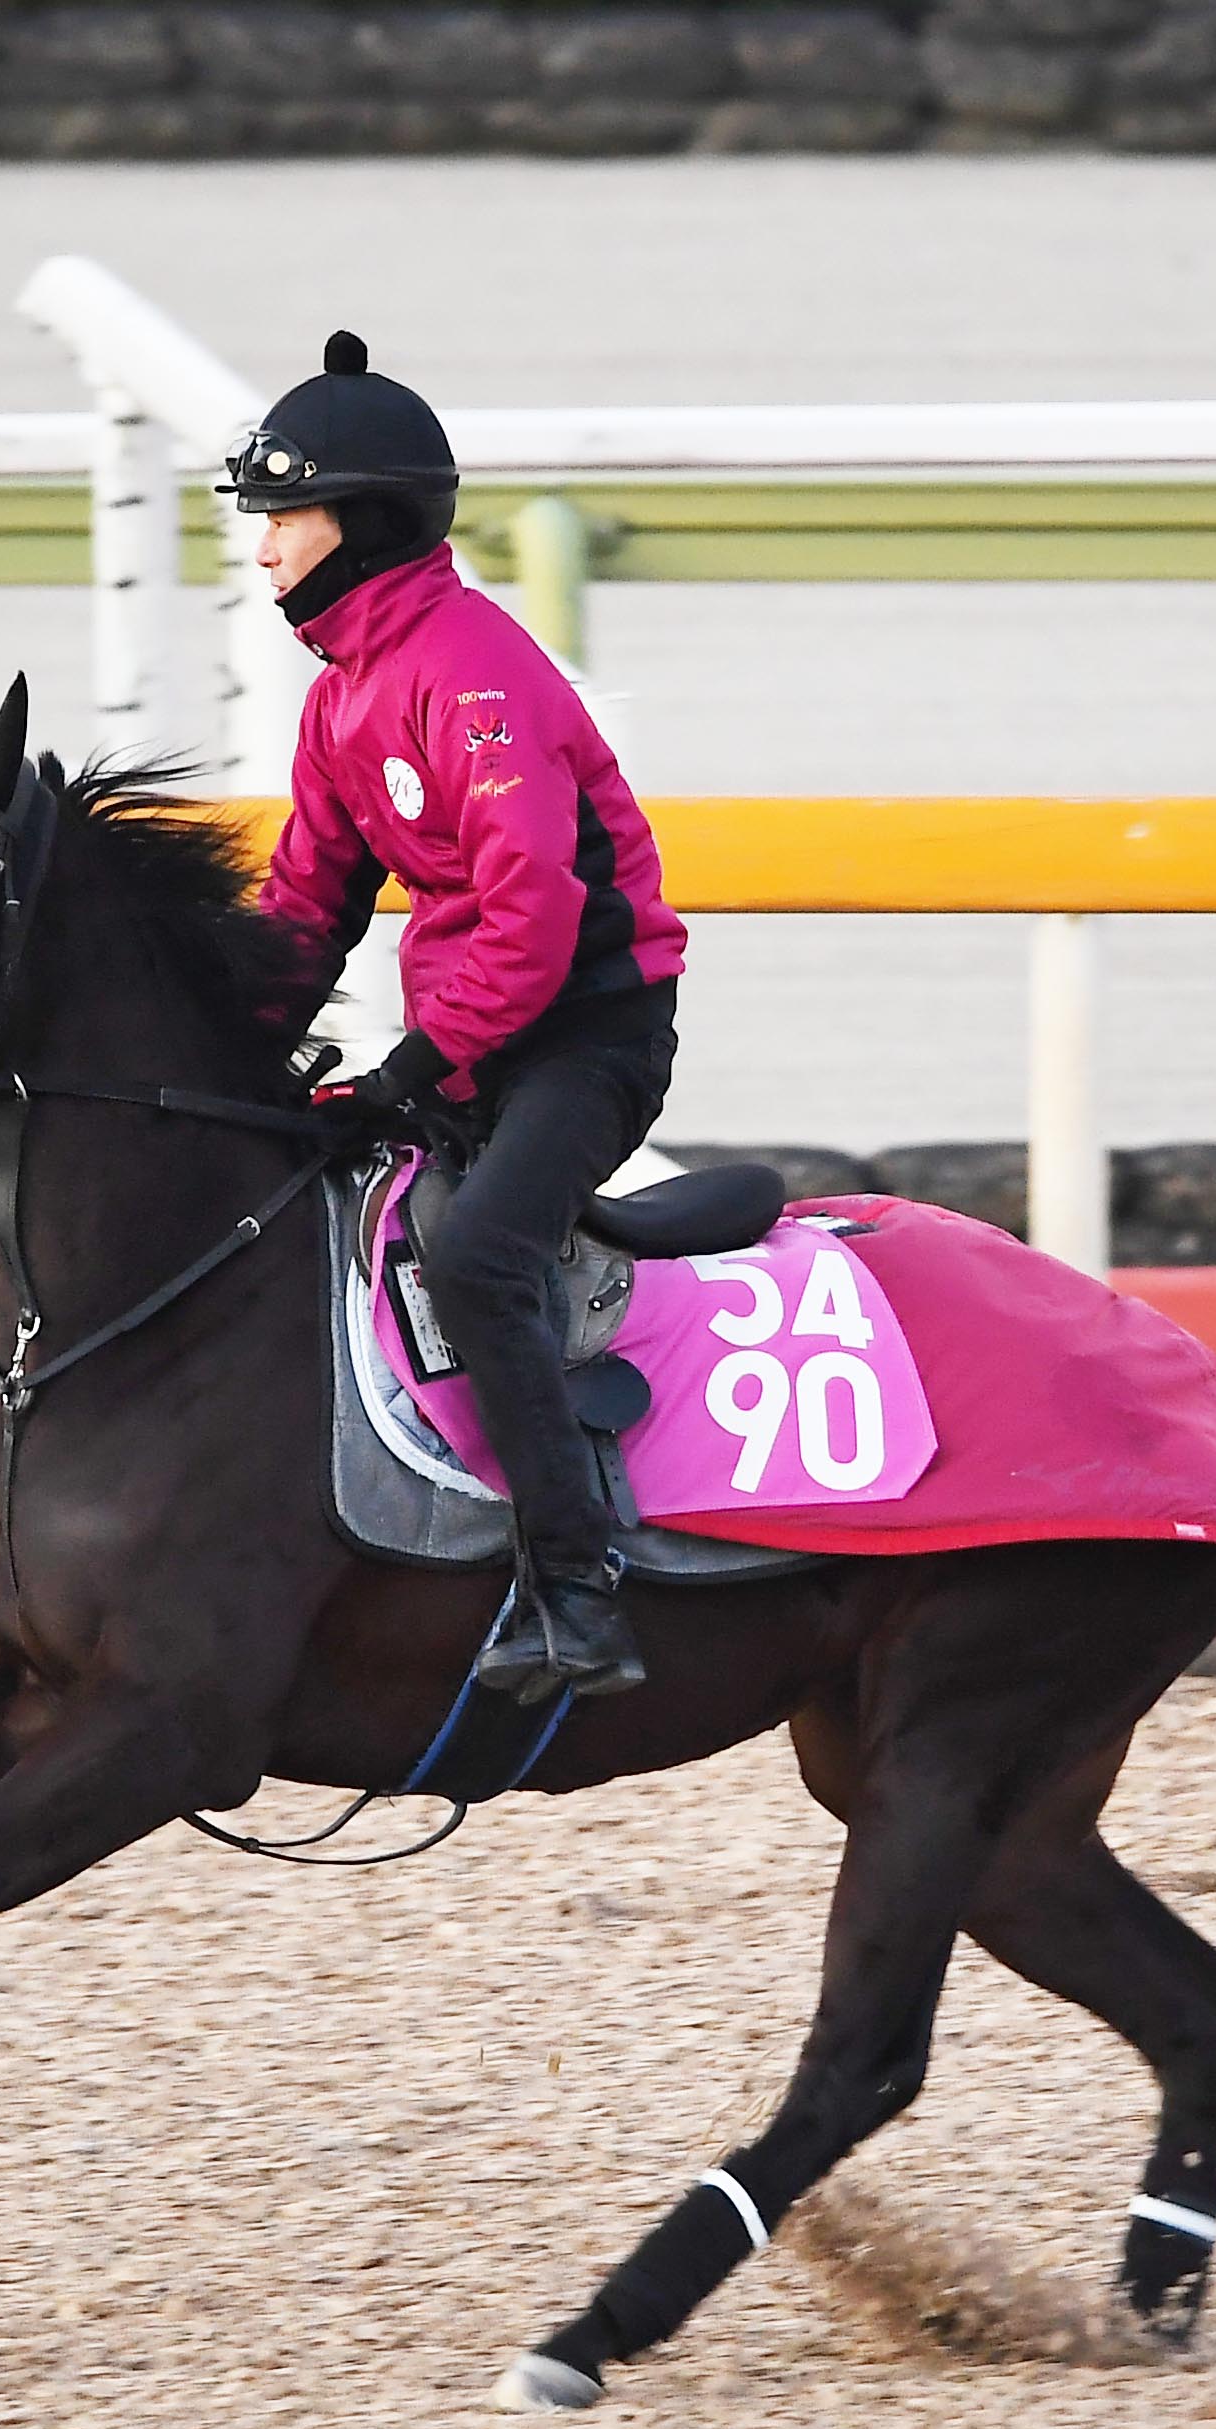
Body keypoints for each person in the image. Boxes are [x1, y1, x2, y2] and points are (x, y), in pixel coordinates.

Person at [224, 331, 688, 1703]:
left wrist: (413, 1064)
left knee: (483, 1254)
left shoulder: (470, 678)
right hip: (482, 1035)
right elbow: (307, 904)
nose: (262, 554)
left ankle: (579, 1587)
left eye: (282, 522)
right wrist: (227, 1046)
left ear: (361, 523)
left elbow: (536, 920)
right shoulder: (341, 697)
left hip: (589, 1037)